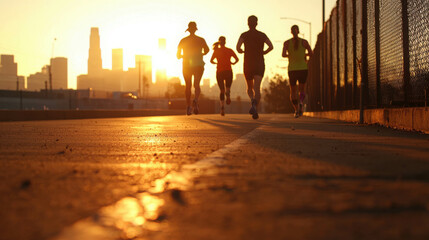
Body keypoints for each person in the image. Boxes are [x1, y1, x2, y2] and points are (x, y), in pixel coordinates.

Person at [236, 15, 273, 120]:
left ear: (248, 23)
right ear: (257, 23)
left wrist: (242, 51)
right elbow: (271, 46)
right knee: (257, 87)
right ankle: (255, 107)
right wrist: (263, 52)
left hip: (248, 63)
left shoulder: (244, 35)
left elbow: (238, 47)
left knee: (249, 87)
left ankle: (252, 99)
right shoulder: (262, 35)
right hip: (259, 63)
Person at [177, 21, 210, 115]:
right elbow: (207, 50)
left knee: (188, 85)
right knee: (197, 84)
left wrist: (185, 56)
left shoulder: (183, 40)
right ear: (195, 29)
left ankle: (188, 106)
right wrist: (200, 54)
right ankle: (195, 99)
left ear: (188, 30)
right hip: (199, 64)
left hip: (187, 65)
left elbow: (178, 55)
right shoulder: (201, 40)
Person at [282, 25, 313, 118]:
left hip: (292, 69)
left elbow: (283, 54)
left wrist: (291, 56)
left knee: (293, 91)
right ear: (298, 31)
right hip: (303, 68)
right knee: (302, 89)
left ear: (291, 32)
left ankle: (296, 110)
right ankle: (301, 102)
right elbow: (311, 53)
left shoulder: (287, 43)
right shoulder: (304, 42)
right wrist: (304, 54)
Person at [210, 36, 239, 116]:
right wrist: (232, 63)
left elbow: (211, 61)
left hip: (219, 72)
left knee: (221, 91)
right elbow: (237, 59)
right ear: (225, 42)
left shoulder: (216, 51)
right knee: (227, 88)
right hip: (228, 71)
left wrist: (217, 63)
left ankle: (222, 108)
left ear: (219, 42)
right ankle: (228, 92)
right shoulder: (229, 50)